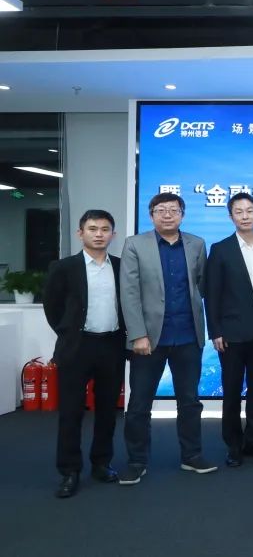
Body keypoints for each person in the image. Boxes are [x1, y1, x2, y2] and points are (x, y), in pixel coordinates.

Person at [119, 192, 217, 485]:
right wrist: (137, 334)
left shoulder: (197, 244)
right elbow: (129, 292)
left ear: (182, 215)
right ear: (151, 215)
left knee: (190, 402)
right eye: (160, 210)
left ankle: (192, 455)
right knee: (139, 404)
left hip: (188, 336)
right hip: (149, 340)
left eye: (173, 210)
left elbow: (201, 285)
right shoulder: (135, 244)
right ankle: (137, 461)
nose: (167, 215)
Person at [43, 210, 126, 498]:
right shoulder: (64, 268)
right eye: (92, 229)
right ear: (81, 233)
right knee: (71, 411)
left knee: (107, 410)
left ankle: (101, 463)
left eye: (105, 229)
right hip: (77, 347)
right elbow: (52, 307)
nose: (99, 234)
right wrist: (67, 333)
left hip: (111, 345)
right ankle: (69, 471)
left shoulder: (121, 266)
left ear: (113, 234)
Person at [205, 192, 253, 467]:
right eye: (239, 211)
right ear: (231, 216)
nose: (245, 216)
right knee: (232, 391)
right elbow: (212, 294)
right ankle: (234, 445)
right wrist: (215, 331)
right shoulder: (220, 249)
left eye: (250, 211)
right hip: (231, 333)